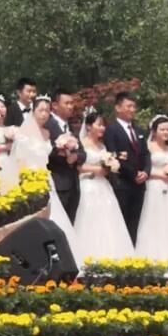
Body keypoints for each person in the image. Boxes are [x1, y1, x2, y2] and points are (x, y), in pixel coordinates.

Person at [1, 96, 83, 266]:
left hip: (47, 177)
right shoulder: (23, 133)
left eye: (47, 111)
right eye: (40, 110)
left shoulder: (48, 133)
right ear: (33, 111)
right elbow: (18, 159)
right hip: (31, 179)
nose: (44, 114)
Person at [73, 111, 135, 261]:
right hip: (88, 184)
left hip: (104, 185)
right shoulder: (81, 143)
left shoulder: (103, 145)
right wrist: (98, 170)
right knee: (90, 219)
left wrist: (111, 165)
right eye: (99, 125)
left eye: (104, 125)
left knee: (108, 219)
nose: (102, 128)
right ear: (89, 126)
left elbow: (108, 164)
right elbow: (78, 167)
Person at [136, 116, 168, 276]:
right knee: (155, 221)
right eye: (162, 129)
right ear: (154, 131)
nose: (166, 132)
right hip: (154, 187)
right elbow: (144, 169)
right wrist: (161, 175)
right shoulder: (148, 147)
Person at [104, 92, 150, 244]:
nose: (132, 110)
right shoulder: (111, 130)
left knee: (135, 222)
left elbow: (146, 154)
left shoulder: (139, 130)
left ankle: (133, 251)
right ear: (118, 108)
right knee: (122, 221)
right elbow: (113, 155)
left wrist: (146, 172)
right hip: (122, 183)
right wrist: (134, 174)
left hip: (140, 184)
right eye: (128, 106)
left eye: (134, 107)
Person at [46, 90, 83, 224]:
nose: (70, 106)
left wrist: (76, 156)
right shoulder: (47, 125)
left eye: (71, 103)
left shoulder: (71, 127)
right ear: (55, 105)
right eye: (66, 103)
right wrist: (61, 153)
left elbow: (83, 152)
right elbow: (45, 151)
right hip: (58, 182)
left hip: (74, 183)